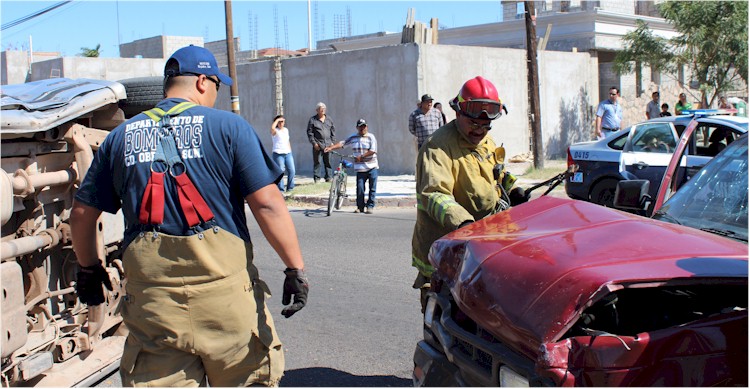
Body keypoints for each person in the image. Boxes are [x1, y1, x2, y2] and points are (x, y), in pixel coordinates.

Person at [70, 45, 308, 387]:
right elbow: (268, 204)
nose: (215, 93)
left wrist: (89, 269)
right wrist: (294, 268)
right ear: (201, 82)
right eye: (216, 85)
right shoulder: (230, 128)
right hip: (226, 304)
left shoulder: (119, 138)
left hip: (155, 309)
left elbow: (81, 213)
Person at [411, 76, 526, 312]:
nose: (479, 130)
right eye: (474, 124)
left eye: (486, 125)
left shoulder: (485, 141)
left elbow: (496, 173)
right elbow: (434, 193)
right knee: (445, 323)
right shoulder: (437, 148)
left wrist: (513, 190)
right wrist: (463, 222)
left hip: (481, 246)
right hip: (445, 254)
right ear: (458, 113)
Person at [325, 118, 379, 214]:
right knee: (360, 188)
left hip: (372, 167)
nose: (362, 128)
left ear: (367, 127)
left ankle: (370, 206)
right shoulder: (353, 137)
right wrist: (331, 147)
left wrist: (361, 157)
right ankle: (360, 207)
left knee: (372, 188)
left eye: (364, 126)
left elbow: (373, 151)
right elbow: (343, 143)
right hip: (360, 168)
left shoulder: (371, 137)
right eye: (360, 127)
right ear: (357, 128)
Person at [307, 102, 336, 183]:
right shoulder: (312, 120)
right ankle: (317, 178)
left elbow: (333, 131)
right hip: (318, 145)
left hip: (328, 144)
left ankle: (329, 177)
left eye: (324, 108)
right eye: (321, 108)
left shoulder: (329, 119)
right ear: (317, 110)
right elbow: (310, 133)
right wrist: (314, 143)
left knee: (328, 162)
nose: (323, 109)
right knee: (318, 162)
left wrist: (332, 142)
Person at [271, 114, 296, 191]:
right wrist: (277, 120)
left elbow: (287, 141)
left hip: (287, 153)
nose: (281, 123)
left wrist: (290, 151)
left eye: (282, 122)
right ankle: (281, 189)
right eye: (280, 122)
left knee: (292, 170)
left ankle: (290, 188)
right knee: (281, 172)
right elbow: (272, 128)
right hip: (278, 154)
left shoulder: (286, 130)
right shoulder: (275, 131)